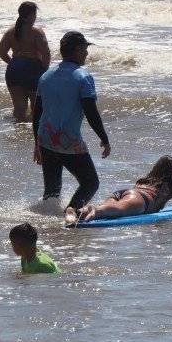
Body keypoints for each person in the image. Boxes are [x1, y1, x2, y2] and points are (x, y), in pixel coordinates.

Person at [32, 31, 110, 212]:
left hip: (45, 139)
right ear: (76, 50)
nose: (86, 53)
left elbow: (37, 113)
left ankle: (51, 225)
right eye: (84, 48)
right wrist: (104, 139)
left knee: (52, 192)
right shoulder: (83, 77)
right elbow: (91, 112)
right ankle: (71, 215)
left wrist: (36, 142)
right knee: (90, 183)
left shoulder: (46, 76)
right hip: (68, 142)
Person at [65, 155, 172, 223]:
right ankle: (89, 209)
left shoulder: (146, 180)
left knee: (108, 208)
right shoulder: (171, 188)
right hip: (141, 199)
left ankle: (77, 211)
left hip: (123, 192)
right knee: (112, 211)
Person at [0, 1, 50, 122]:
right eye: (35, 14)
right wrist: (44, 70)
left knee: (19, 108)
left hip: (14, 69)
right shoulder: (36, 31)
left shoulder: (10, 31)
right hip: (32, 69)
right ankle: (30, 135)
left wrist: (12, 63)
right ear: (31, 14)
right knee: (36, 108)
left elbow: (1, 52)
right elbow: (46, 52)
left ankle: (18, 131)